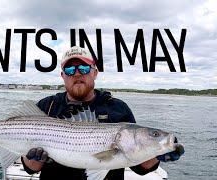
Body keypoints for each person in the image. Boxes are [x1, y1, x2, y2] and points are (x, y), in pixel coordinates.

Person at [20, 46, 184, 180]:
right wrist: (34, 159)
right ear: (63, 75)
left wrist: (157, 154)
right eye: (70, 69)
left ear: (95, 72)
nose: (77, 73)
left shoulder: (118, 108)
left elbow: (139, 169)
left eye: (84, 68)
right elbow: (30, 169)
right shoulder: (47, 106)